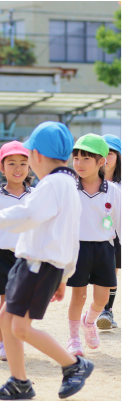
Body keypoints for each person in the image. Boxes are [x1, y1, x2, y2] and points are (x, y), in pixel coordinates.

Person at [0, 122, 94, 400]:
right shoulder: (68, 185)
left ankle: (74, 365)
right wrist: (64, 276)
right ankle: (19, 382)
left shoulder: (52, 184)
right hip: (39, 263)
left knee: (19, 326)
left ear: (37, 156)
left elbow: (28, 214)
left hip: (38, 264)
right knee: (6, 317)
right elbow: (71, 237)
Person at [0, 141, 33, 361]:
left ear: (30, 167)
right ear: (2, 168)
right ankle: (4, 343)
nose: (18, 168)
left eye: (22, 163)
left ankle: (17, 337)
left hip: (29, 256)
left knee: (25, 303)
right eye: (12, 163)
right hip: (1, 256)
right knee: (6, 301)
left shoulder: (36, 196)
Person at [67, 134, 120, 356]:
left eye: (86, 158)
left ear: (102, 162)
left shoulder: (114, 191)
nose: (79, 163)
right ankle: (73, 339)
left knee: (102, 298)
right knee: (78, 296)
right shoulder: (69, 187)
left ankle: (89, 322)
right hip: (78, 249)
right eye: (76, 157)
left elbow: (119, 221)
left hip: (104, 249)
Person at [97, 134, 121, 329]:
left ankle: (107, 311)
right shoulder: (88, 180)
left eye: (110, 153)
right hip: (91, 234)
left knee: (111, 272)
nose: (106, 157)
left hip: (116, 234)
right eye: (102, 153)